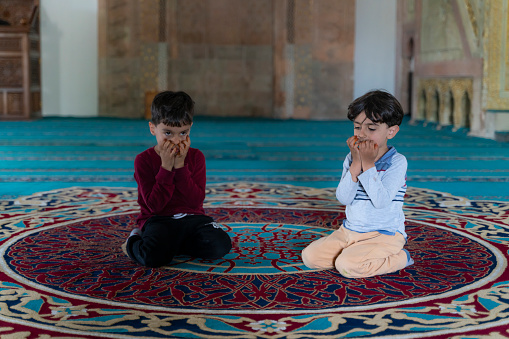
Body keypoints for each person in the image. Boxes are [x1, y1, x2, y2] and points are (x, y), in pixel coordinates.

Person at [301, 90, 413, 278]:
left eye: (371, 128)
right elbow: (343, 197)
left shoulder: (397, 162)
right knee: (310, 257)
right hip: (350, 231)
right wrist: (356, 165)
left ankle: (400, 257)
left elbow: (381, 201)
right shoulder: (351, 158)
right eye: (357, 127)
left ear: (391, 131)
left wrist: (368, 165)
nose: (362, 134)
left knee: (347, 266)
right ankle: (353, 253)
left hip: (384, 235)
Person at [126, 91, 232, 268]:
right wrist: (166, 167)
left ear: (190, 127)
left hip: (192, 217)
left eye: (183, 133)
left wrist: (181, 166)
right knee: (152, 257)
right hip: (159, 219)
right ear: (153, 128)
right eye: (168, 133)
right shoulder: (143, 160)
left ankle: (173, 244)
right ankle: (134, 238)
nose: (176, 140)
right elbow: (155, 206)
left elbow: (195, 201)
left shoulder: (197, 157)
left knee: (220, 245)